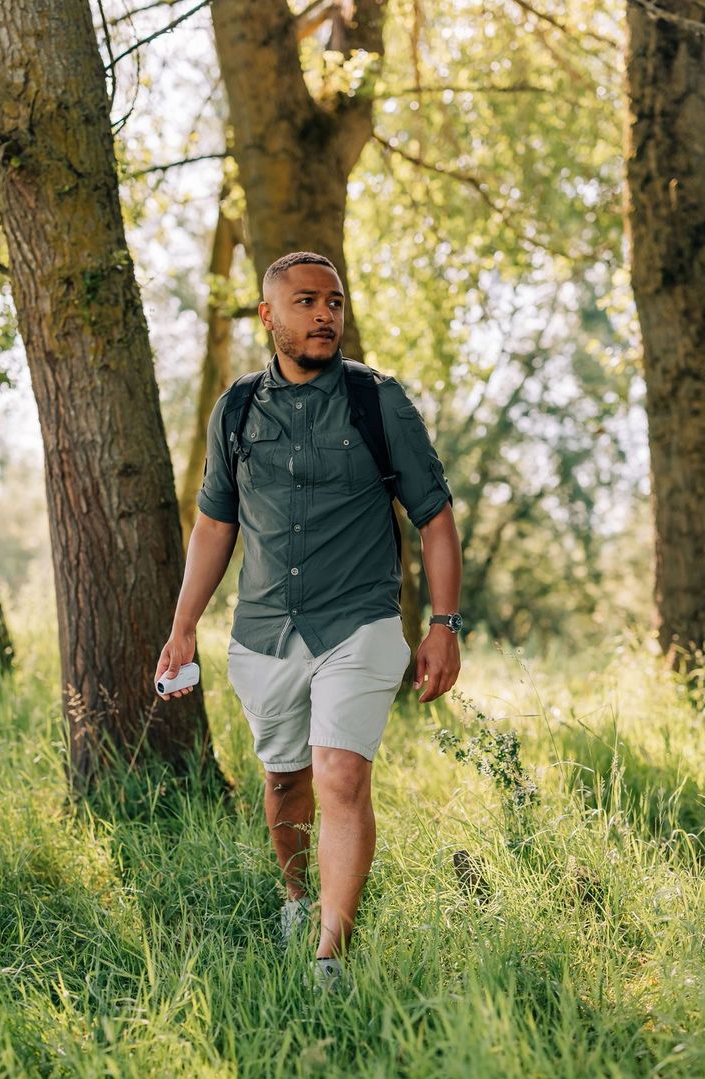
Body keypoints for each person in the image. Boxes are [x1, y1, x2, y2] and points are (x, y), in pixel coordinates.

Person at [155, 251, 462, 988]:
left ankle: (331, 954)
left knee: (341, 775)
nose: (325, 313)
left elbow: (436, 517)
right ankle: (297, 900)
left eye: (334, 300)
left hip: (358, 624)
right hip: (263, 633)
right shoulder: (235, 409)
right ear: (269, 317)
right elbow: (213, 526)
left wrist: (445, 622)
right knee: (286, 781)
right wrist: (182, 624)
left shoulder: (378, 402)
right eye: (305, 301)